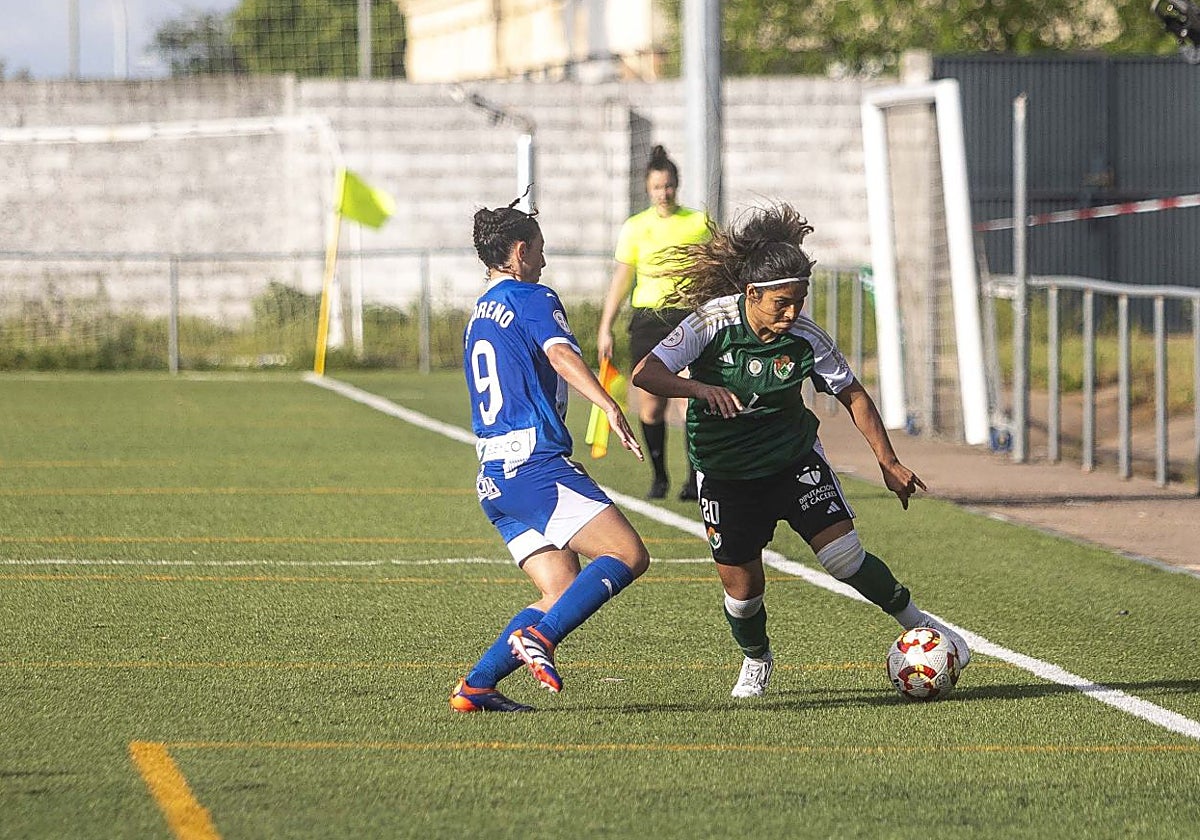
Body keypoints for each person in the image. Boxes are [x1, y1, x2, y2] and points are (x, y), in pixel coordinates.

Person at [631, 203, 970, 698]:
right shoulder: (710, 323)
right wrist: (700, 391)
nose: (792, 313)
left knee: (843, 557)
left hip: (793, 462)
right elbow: (647, 372)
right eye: (782, 303)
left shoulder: (807, 339)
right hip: (725, 472)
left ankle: (927, 627)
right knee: (743, 593)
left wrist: (889, 462)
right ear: (752, 294)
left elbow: (852, 393)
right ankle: (757, 658)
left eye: (800, 301)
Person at [452, 197, 652, 713]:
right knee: (628, 554)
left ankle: (476, 685)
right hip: (535, 464)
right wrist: (608, 404)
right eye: (540, 251)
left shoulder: (479, 313)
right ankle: (542, 640)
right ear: (519, 252)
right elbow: (560, 354)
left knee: (560, 589)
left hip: (494, 477)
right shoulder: (532, 296)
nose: (544, 261)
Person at [598, 145, 711, 501]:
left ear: (677, 185)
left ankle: (694, 478)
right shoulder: (636, 227)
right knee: (650, 404)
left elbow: (715, 270)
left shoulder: (698, 223)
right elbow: (622, 278)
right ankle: (659, 475)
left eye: (669, 186)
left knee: (689, 400)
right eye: (657, 188)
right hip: (648, 319)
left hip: (687, 317)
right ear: (648, 190)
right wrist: (606, 326)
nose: (664, 194)